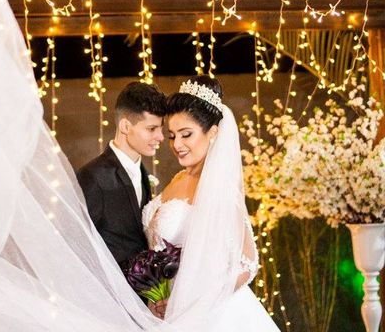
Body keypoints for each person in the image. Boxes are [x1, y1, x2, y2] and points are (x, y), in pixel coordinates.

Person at [142, 76, 280, 330]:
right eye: (172, 136)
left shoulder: (219, 187)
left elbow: (247, 263)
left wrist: (192, 300)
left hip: (210, 316)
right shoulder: (178, 178)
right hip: (168, 311)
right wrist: (158, 293)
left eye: (186, 134)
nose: (177, 145)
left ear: (213, 132)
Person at [77, 82, 166, 269]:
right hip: (107, 295)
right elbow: (79, 246)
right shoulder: (92, 177)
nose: (161, 137)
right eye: (152, 129)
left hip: (143, 296)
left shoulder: (142, 173)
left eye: (161, 128)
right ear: (125, 126)